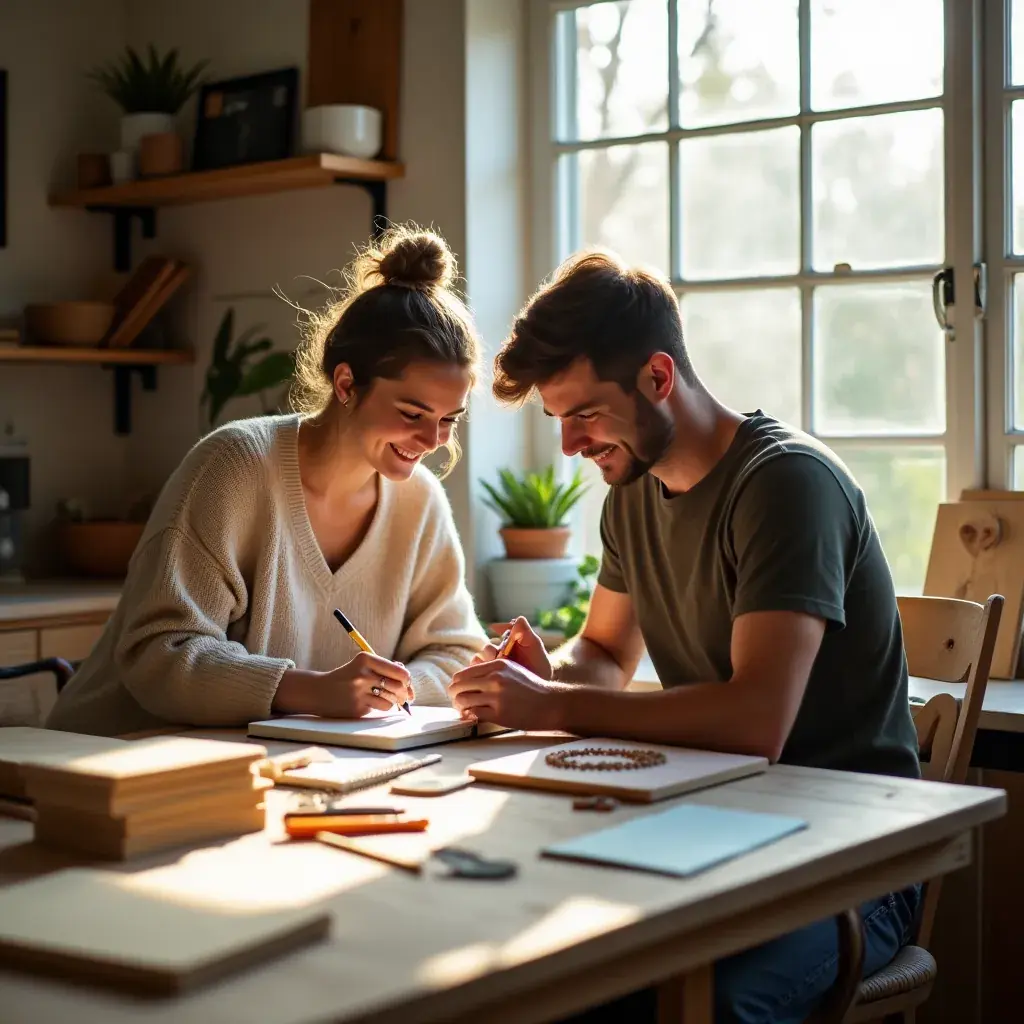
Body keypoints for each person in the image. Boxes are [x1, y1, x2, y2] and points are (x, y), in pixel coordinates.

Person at [448, 249, 922, 1024]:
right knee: (555, 973)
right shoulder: (633, 492)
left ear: (659, 378)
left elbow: (753, 723)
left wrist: (554, 707)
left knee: (702, 1007)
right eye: (556, 419)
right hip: (715, 827)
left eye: (584, 414)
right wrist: (551, 676)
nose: (569, 445)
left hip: (849, 861)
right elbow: (602, 654)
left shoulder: (786, 485)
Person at [48, 226, 488, 738]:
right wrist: (311, 691)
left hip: (266, 767)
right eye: (413, 412)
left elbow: (457, 650)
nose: (433, 438)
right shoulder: (235, 467)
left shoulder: (419, 502)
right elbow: (158, 653)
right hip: (112, 759)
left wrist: (391, 688)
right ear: (346, 384)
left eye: (449, 419)